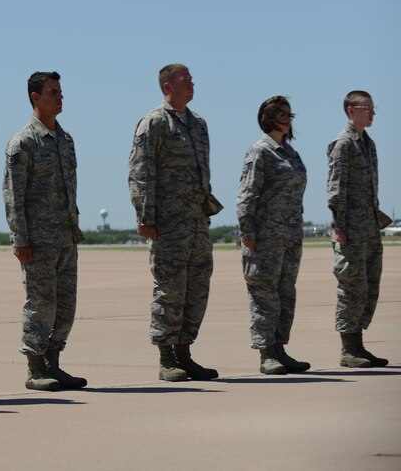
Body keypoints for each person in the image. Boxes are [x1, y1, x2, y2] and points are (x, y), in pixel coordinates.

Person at [128, 64, 222, 382]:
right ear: (168, 87)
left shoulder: (199, 124)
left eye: (192, 80)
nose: (192, 85)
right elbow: (140, 171)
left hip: (197, 222)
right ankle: (166, 358)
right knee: (170, 289)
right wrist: (145, 217)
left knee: (197, 288)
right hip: (168, 223)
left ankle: (185, 352)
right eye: (186, 81)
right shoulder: (153, 123)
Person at [2, 71, 87, 391]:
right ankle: (35, 368)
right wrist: (20, 238)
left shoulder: (65, 140)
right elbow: (13, 193)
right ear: (35, 97)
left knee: (65, 304)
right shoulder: (23, 141)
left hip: (65, 236)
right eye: (53, 92)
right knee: (41, 304)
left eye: (60, 91)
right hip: (37, 240)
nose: (60, 97)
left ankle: (54, 363)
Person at [235, 96, 311, 375]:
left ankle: (280, 348)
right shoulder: (260, 152)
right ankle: (266, 353)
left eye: (290, 114)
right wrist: (248, 233)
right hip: (265, 236)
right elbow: (246, 196)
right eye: (282, 114)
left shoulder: (290, 152)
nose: (288, 118)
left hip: (290, 235)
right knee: (264, 294)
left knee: (285, 293)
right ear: (268, 118)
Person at [327, 90, 391, 368]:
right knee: (351, 287)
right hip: (350, 229)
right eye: (367, 108)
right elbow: (335, 189)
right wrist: (339, 226)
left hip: (368, 228)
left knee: (368, 287)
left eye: (373, 108)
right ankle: (348, 349)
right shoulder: (343, 144)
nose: (372, 112)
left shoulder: (368, 143)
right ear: (351, 110)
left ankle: (358, 344)